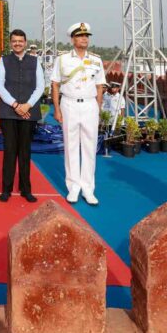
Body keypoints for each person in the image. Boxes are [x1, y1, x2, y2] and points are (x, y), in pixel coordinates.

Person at [51, 22, 106, 205]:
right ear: (72, 39)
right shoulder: (63, 59)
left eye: (86, 36)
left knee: (90, 147)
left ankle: (88, 189)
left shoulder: (96, 60)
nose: (84, 38)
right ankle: (73, 187)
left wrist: (97, 108)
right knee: (71, 146)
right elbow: (55, 84)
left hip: (89, 105)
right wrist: (57, 109)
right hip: (69, 104)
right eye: (80, 36)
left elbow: (100, 86)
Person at [0, 30, 42, 203]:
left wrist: (27, 105)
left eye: (20, 41)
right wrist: (15, 105)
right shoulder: (4, 60)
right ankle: (6, 189)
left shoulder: (35, 61)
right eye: (14, 41)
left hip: (29, 112)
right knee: (9, 151)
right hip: (8, 112)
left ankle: (25, 189)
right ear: (10, 43)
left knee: (25, 152)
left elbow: (40, 86)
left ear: (25, 42)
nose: (17, 44)